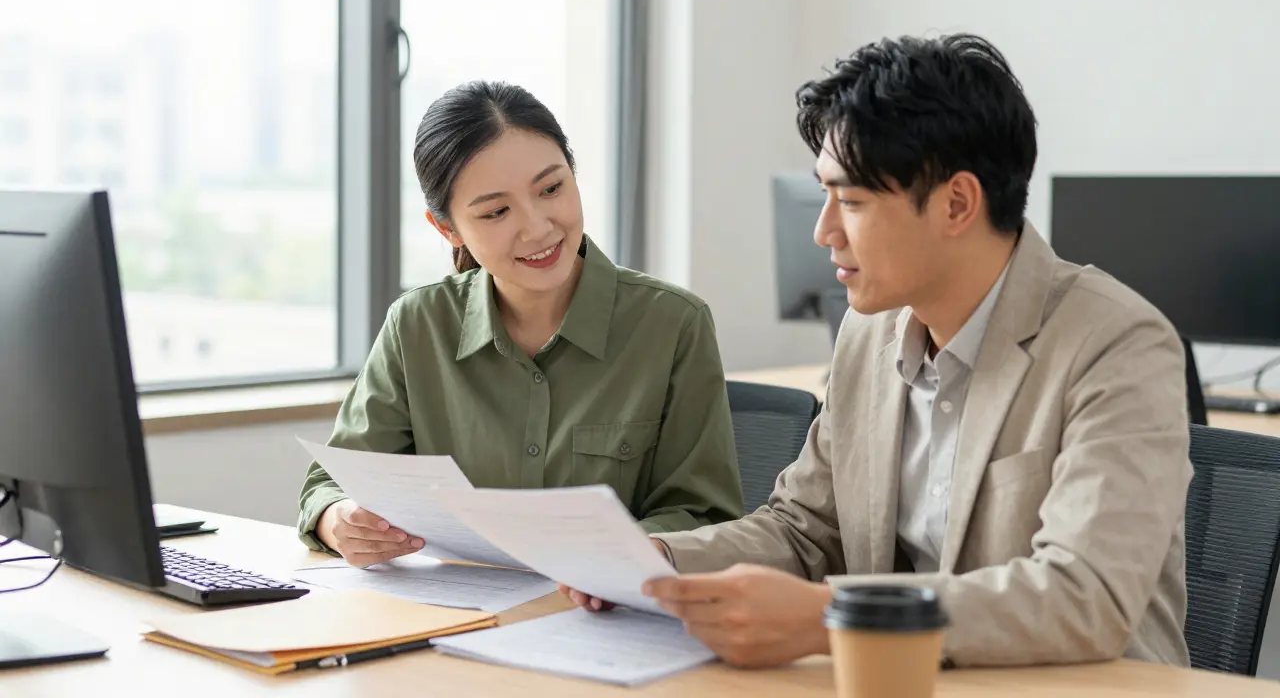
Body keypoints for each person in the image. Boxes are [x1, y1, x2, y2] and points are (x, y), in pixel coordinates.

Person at [563, 34, 1193, 669]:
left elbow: (1083, 595)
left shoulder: (1115, 343)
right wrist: (661, 562)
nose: (824, 230)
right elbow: (806, 530)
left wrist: (827, 616)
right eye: (824, 196)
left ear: (956, 203)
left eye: (853, 202)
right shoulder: (869, 334)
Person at [297, 81, 744, 567]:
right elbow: (332, 483)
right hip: (455, 614)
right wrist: (339, 518)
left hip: (608, 615)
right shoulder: (417, 325)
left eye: (551, 188)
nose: (537, 227)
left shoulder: (673, 324)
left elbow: (704, 516)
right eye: (496, 211)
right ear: (447, 228)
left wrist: (617, 556)